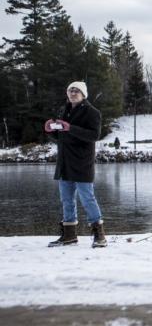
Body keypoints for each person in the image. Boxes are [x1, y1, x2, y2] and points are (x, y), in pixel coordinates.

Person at [46, 81, 106, 248]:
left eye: (76, 91)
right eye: (70, 90)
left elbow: (94, 135)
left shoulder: (92, 112)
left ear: (83, 94)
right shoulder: (64, 110)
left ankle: (99, 235)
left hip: (82, 163)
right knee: (66, 200)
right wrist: (50, 132)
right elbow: (61, 137)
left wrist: (70, 127)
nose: (73, 93)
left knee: (87, 198)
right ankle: (69, 236)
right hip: (64, 163)